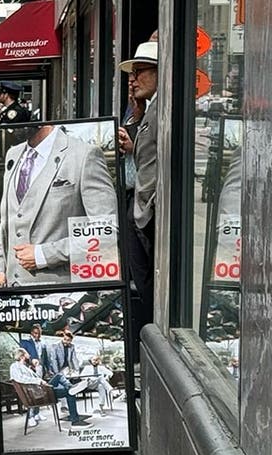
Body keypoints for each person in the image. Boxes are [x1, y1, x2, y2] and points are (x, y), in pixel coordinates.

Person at [0, 125, 117, 287]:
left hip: (62, 291)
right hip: (12, 293)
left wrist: (44, 255)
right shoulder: (14, 154)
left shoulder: (84, 155)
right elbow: (8, 220)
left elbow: (108, 230)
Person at [117, 41, 159, 341]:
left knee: (147, 283)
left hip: (148, 212)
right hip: (139, 209)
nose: (132, 79)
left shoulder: (162, 111)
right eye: (131, 73)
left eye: (140, 71)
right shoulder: (147, 110)